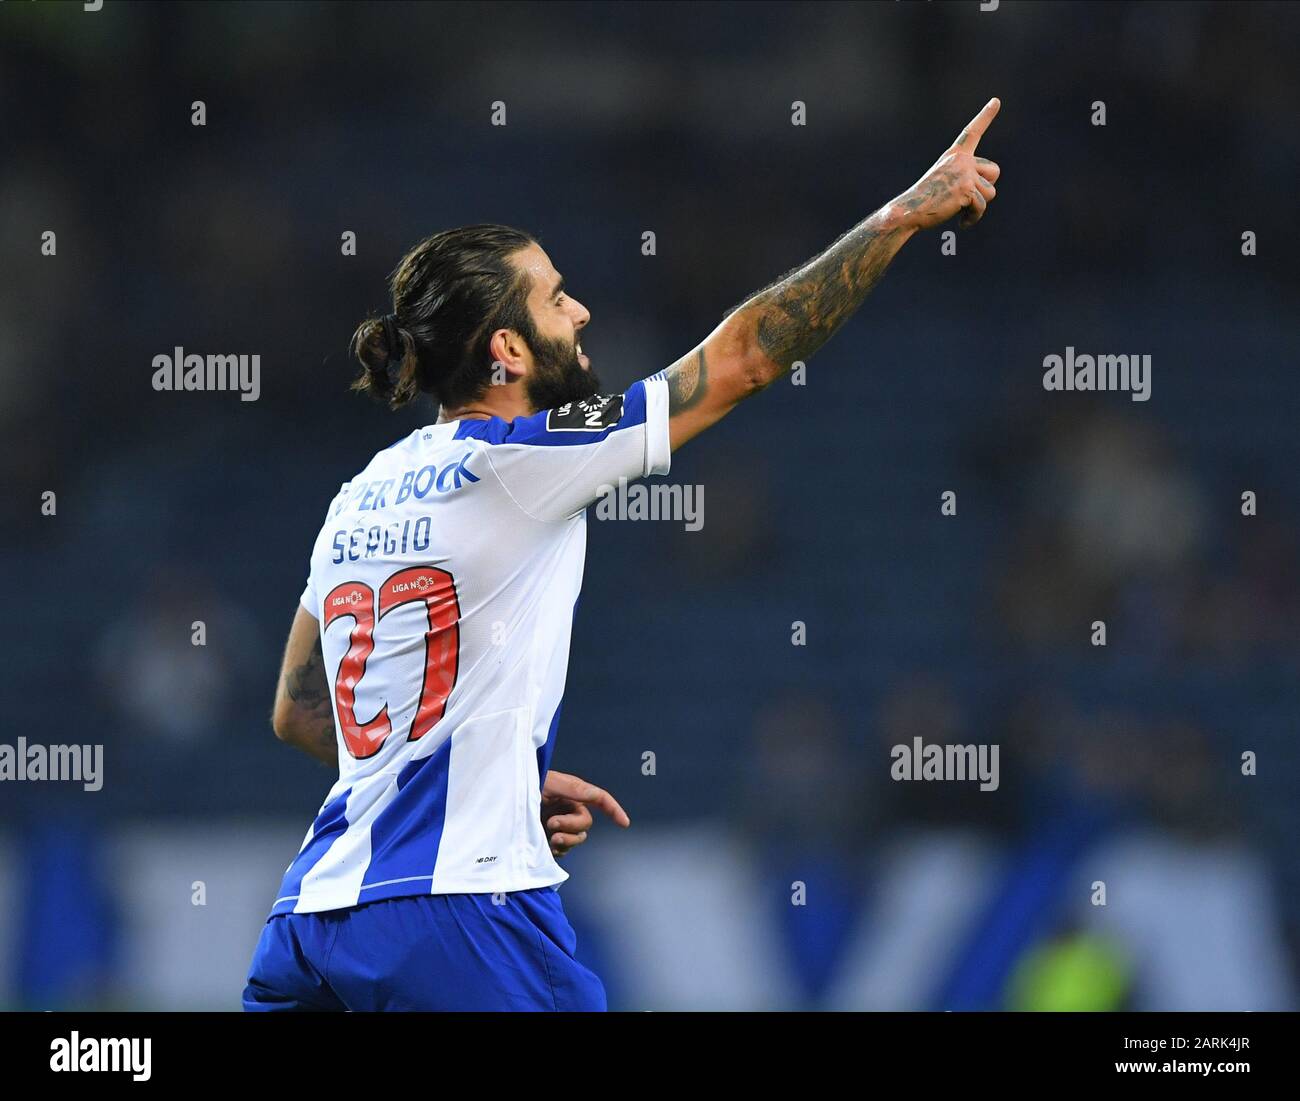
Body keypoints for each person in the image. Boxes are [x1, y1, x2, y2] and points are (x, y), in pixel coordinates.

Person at [243, 98, 1003, 1011]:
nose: (583, 309)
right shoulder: (525, 454)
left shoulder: (359, 492)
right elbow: (747, 358)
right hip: (460, 917)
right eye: (557, 297)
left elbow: (295, 710)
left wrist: (487, 775)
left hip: (311, 917)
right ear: (508, 349)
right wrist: (905, 215)